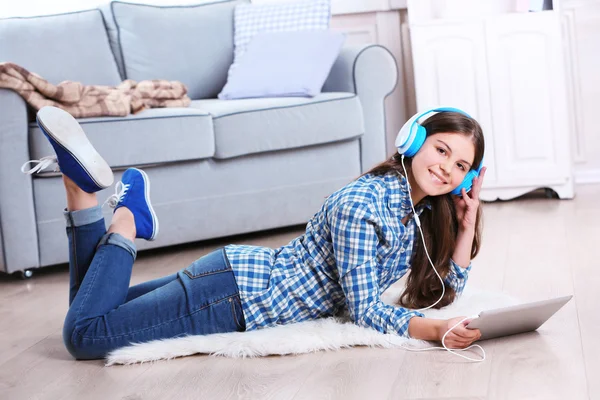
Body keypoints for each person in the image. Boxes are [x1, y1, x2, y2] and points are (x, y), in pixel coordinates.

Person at [22, 105, 486, 360]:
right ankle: (128, 220)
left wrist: (465, 227)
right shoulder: (362, 206)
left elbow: (440, 290)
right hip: (235, 300)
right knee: (83, 336)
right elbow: (365, 313)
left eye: (460, 165)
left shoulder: (416, 214)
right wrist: (435, 332)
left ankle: (78, 191)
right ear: (413, 140)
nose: (446, 168)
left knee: (91, 304)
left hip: (231, 280)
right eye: (441, 150)